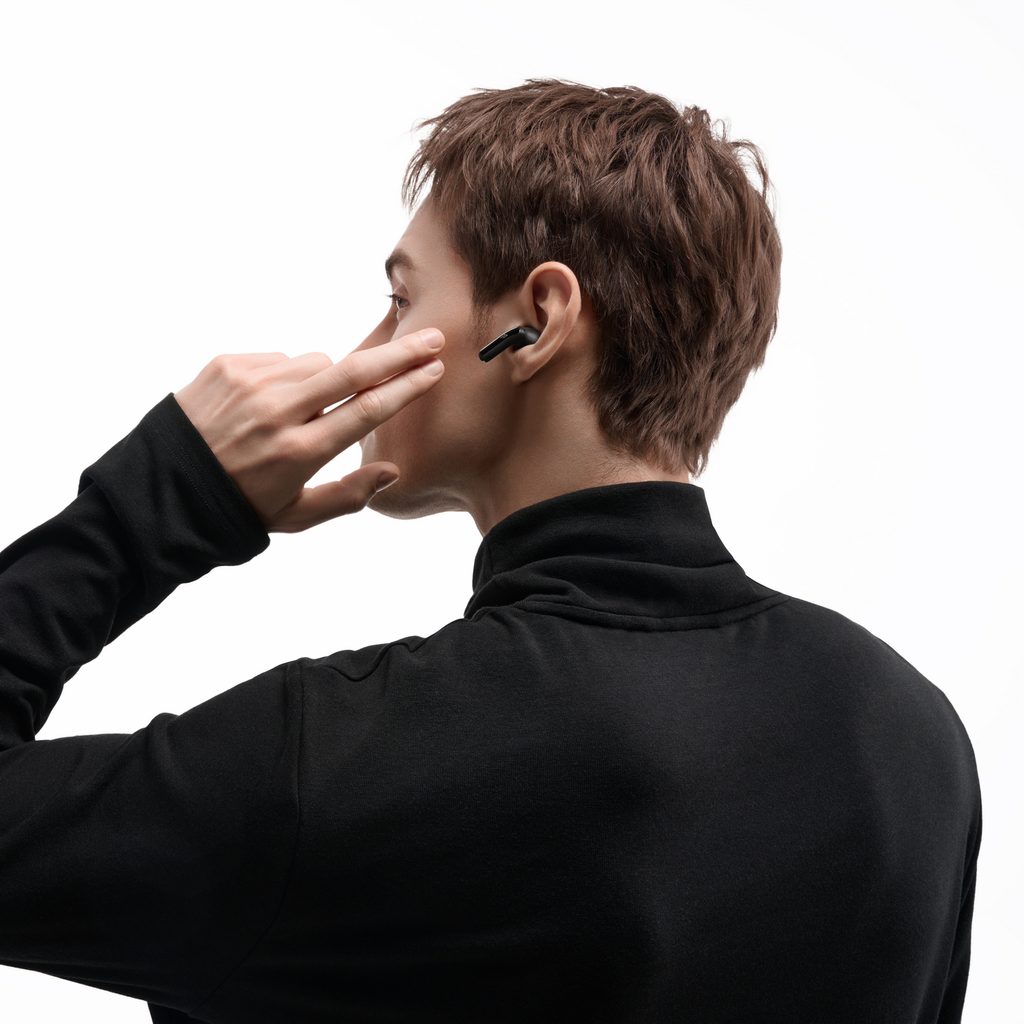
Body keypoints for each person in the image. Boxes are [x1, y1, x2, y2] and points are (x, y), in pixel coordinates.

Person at [0, 78, 980, 1023]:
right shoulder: (910, 736)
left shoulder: (345, 761)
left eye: (399, 299)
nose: (363, 348)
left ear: (536, 322)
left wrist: (163, 498)